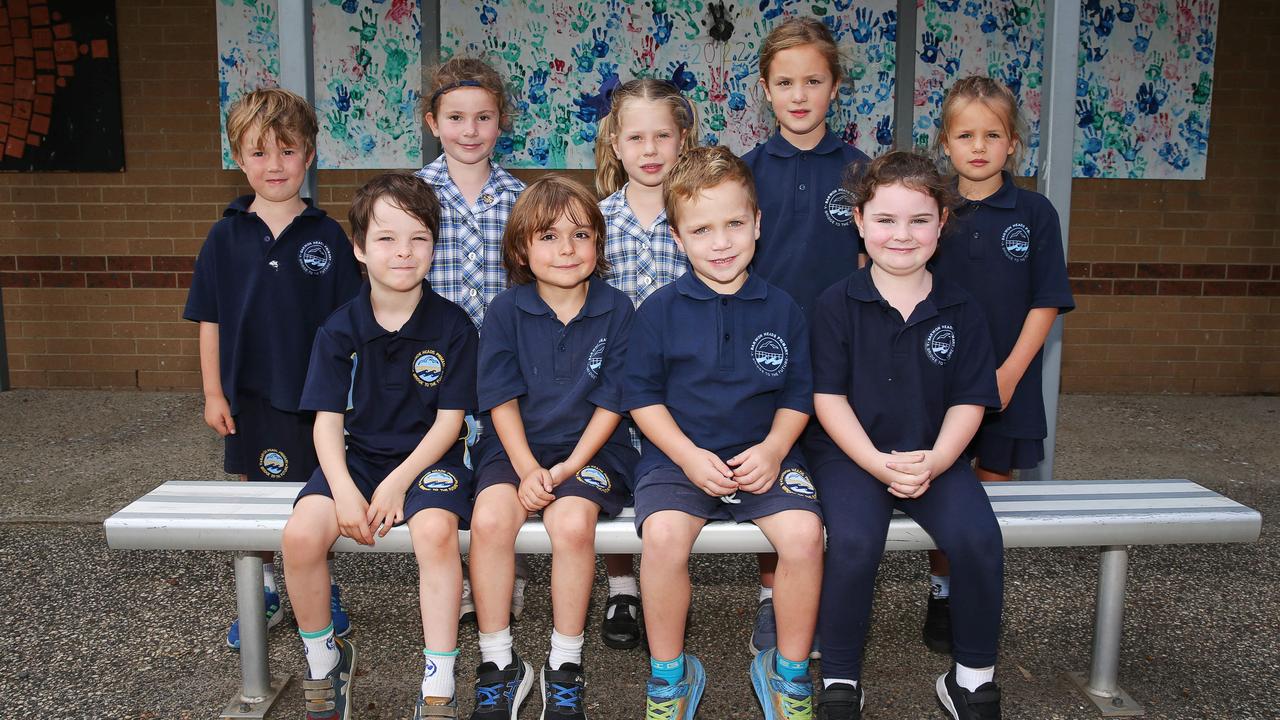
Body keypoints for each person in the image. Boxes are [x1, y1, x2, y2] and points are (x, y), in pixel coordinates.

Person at [625, 146, 824, 720]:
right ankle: (670, 674)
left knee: (806, 537)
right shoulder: (658, 311)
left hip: (766, 456)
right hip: (678, 458)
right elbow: (643, 398)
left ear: (758, 224)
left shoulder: (784, 309)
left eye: (735, 223)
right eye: (702, 229)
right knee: (662, 539)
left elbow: (796, 395)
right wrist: (687, 457)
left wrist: (775, 449)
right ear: (677, 237)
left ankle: (786, 671)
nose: (721, 242)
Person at [807, 151, 1004, 720]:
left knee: (977, 539)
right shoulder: (835, 304)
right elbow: (827, 397)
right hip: (852, 455)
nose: (902, 234)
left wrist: (940, 459)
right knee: (852, 543)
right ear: (860, 222)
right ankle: (841, 678)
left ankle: (971, 678)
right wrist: (872, 461)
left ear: (942, 224)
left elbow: (971, 399)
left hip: (931, 454)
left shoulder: (961, 308)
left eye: (919, 220)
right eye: (886, 220)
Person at [281, 173, 479, 719]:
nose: (404, 252)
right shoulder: (339, 330)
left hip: (430, 463)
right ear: (360, 249)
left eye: (418, 238)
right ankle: (326, 665)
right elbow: (325, 424)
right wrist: (344, 492)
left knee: (436, 532)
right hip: (358, 463)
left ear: (434, 248)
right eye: (387, 238)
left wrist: (397, 484)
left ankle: (438, 683)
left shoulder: (455, 327)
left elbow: (449, 424)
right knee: (299, 536)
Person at [182, 87, 360, 651]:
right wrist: (213, 393)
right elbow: (207, 319)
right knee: (255, 495)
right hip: (249, 396)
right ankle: (260, 587)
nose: (274, 165)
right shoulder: (224, 235)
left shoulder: (331, 238)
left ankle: (319, 585)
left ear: (309, 156)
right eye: (259, 153)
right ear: (239, 158)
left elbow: (353, 328)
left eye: (287, 151)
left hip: (316, 401)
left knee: (318, 495)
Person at [466, 176, 637, 719]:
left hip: (592, 451)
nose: (566, 249)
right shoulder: (504, 312)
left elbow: (613, 402)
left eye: (580, 234)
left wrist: (566, 469)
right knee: (491, 522)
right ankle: (500, 663)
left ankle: (565, 665)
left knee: (571, 525)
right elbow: (499, 398)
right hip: (515, 447)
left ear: (599, 243)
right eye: (547, 236)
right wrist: (525, 468)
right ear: (521, 249)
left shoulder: (618, 309)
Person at [924, 75, 1075, 654]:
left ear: (1013, 143)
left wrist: (1008, 374)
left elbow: (1047, 302)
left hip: (1007, 382)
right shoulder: (932, 212)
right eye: (966, 135)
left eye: (993, 134)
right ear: (946, 142)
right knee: (945, 487)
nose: (979, 146)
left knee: (988, 494)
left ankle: (972, 590)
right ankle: (940, 589)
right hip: (940, 384)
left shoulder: (1035, 213)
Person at [740, 16, 871, 655]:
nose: (799, 95)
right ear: (766, 89)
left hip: (837, 353)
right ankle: (774, 600)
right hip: (766, 355)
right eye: (785, 82)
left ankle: (824, 600)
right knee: (776, 470)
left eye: (813, 81)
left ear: (834, 87)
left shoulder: (861, 173)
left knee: (833, 470)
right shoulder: (744, 171)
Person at [415, 56, 530, 623]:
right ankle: (455, 575)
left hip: (506, 365)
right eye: (455, 117)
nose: (469, 130)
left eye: (482, 117)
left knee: (500, 464)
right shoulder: (414, 196)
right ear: (433, 122)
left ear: (500, 121)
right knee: (445, 461)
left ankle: (500, 565)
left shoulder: (522, 199)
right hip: (435, 366)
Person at [594, 77, 699, 650]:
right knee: (616, 478)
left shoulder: (698, 217)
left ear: (683, 140)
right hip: (614, 384)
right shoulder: (598, 221)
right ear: (615, 143)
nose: (651, 150)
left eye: (663, 135)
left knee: (669, 492)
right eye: (636, 137)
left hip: (684, 386)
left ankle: (675, 579)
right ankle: (621, 587)